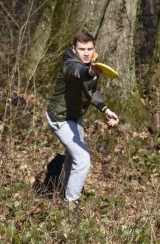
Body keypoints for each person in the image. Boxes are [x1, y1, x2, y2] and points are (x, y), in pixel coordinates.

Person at [46, 30, 119, 207]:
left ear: (94, 49)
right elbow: (78, 72)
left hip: (75, 117)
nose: (86, 53)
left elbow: (91, 91)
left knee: (73, 157)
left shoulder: (91, 63)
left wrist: (105, 109)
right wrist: (90, 72)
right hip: (60, 118)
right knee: (83, 158)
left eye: (89, 49)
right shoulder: (70, 64)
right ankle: (71, 204)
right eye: (81, 49)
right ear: (74, 48)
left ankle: (62, 189)